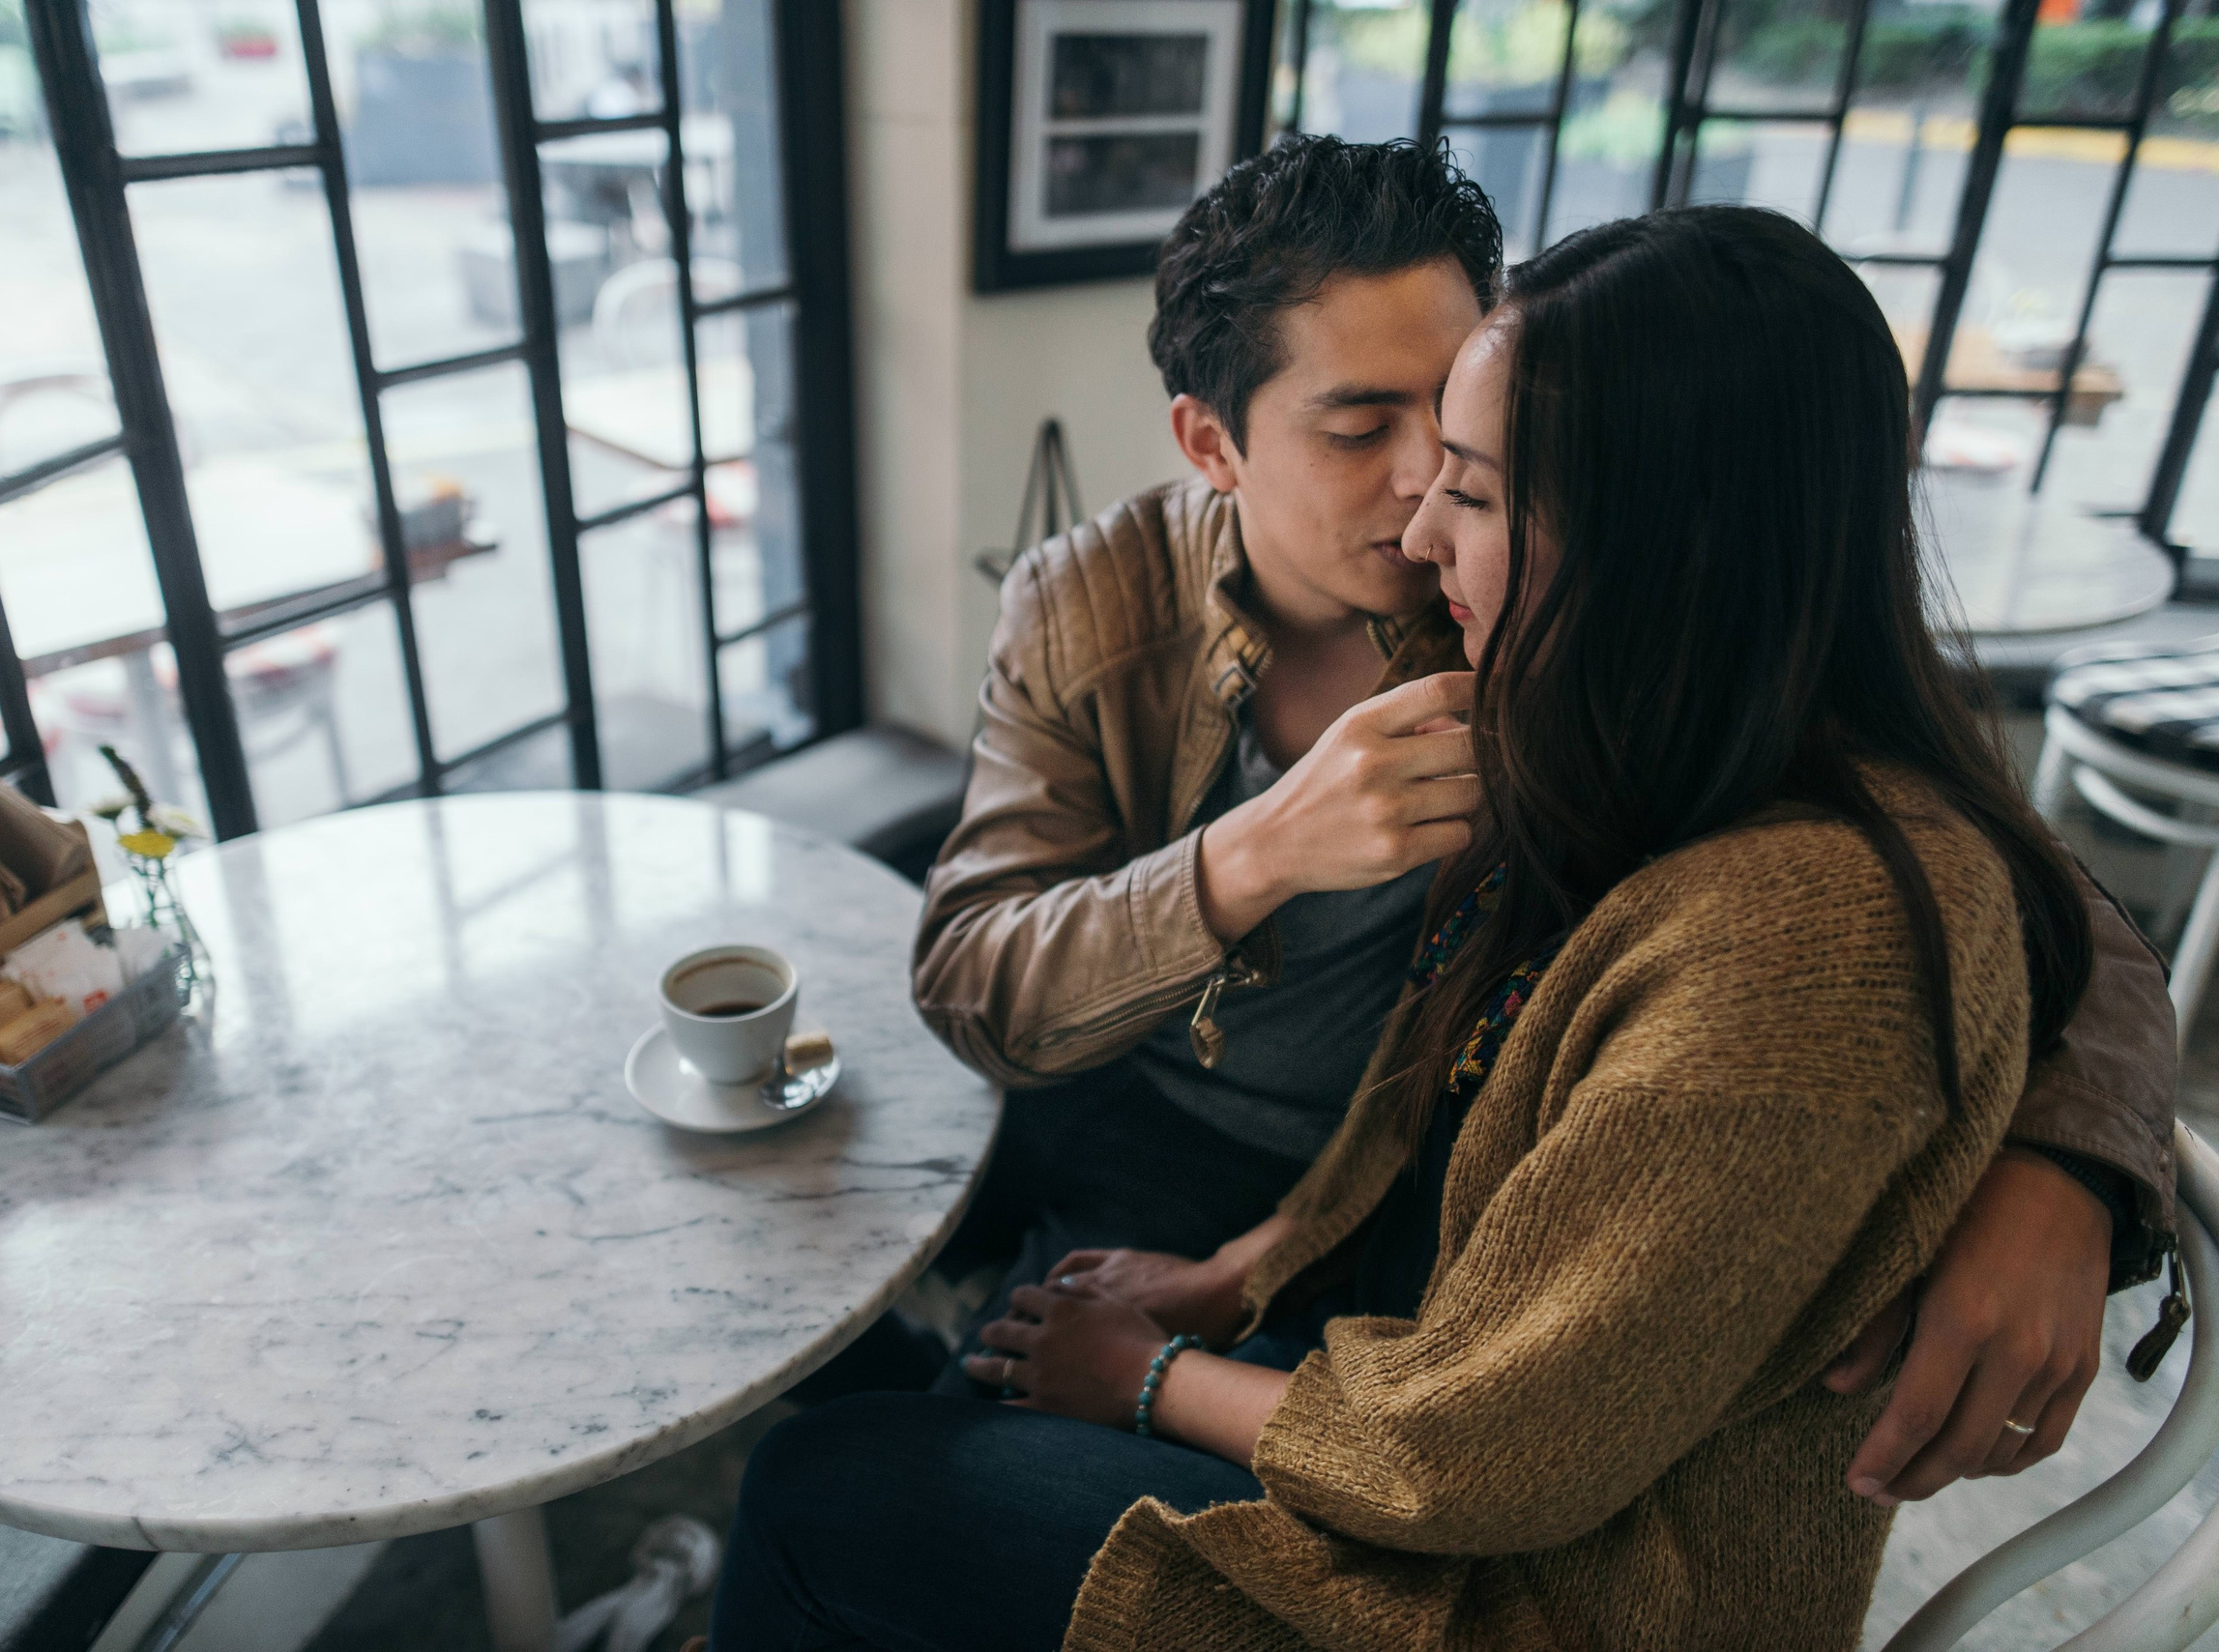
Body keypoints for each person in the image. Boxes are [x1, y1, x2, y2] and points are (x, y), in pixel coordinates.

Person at [714, 204, 2128, 1651]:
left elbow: (2004, 883)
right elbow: (972, 981)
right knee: (888, 1343)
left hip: (1434, 1314)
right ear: (1211, 443)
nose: (1415, 502)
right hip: (1246, 1170)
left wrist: (2070, 1163)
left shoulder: (1639, 681)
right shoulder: (1103, 599)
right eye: (1359, 426)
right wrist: (1249, 855)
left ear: (1640, 507)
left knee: (872, 1483)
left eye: (1458, 446)